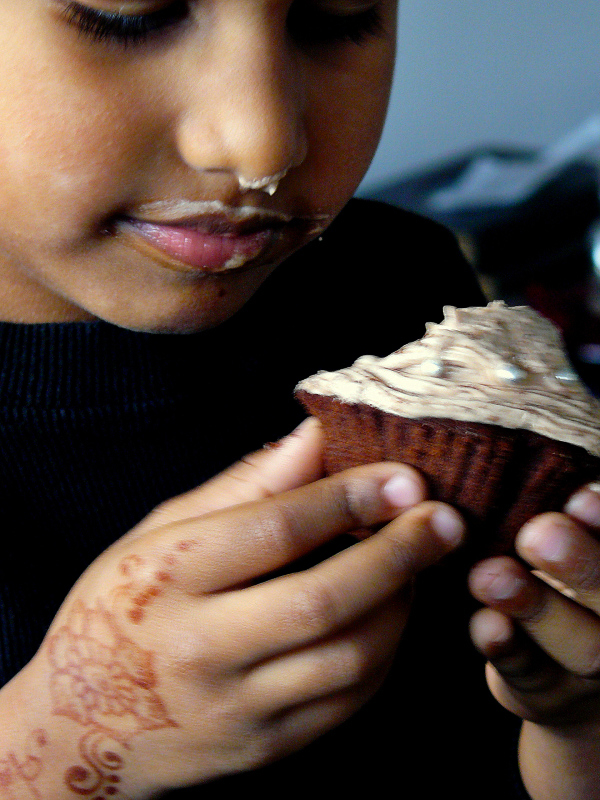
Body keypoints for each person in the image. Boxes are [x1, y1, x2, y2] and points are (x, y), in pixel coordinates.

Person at [0, 2, 598, 799]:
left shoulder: (400, 284)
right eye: (129, 13)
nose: (263, 143)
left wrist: (576, 730)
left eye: (335, 18)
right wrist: (47, 753)